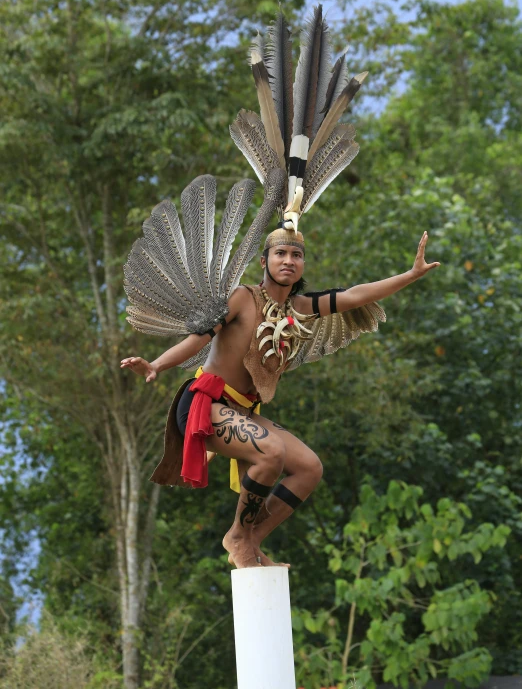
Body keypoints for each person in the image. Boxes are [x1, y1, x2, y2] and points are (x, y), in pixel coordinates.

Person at [121, 227, 439, 568]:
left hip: (242, 411)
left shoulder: (301, 307)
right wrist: (156, 365)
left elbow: (355, 296)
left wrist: (411, 274)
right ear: (264, 261)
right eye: (280, 254)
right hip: (204, 405)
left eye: (296, 255)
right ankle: (239, 538)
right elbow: (198, 339)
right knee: (271, 453)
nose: (288, 261)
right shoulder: (242, 298)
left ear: (302, 264)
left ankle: (251, 540)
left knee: (309, 468)